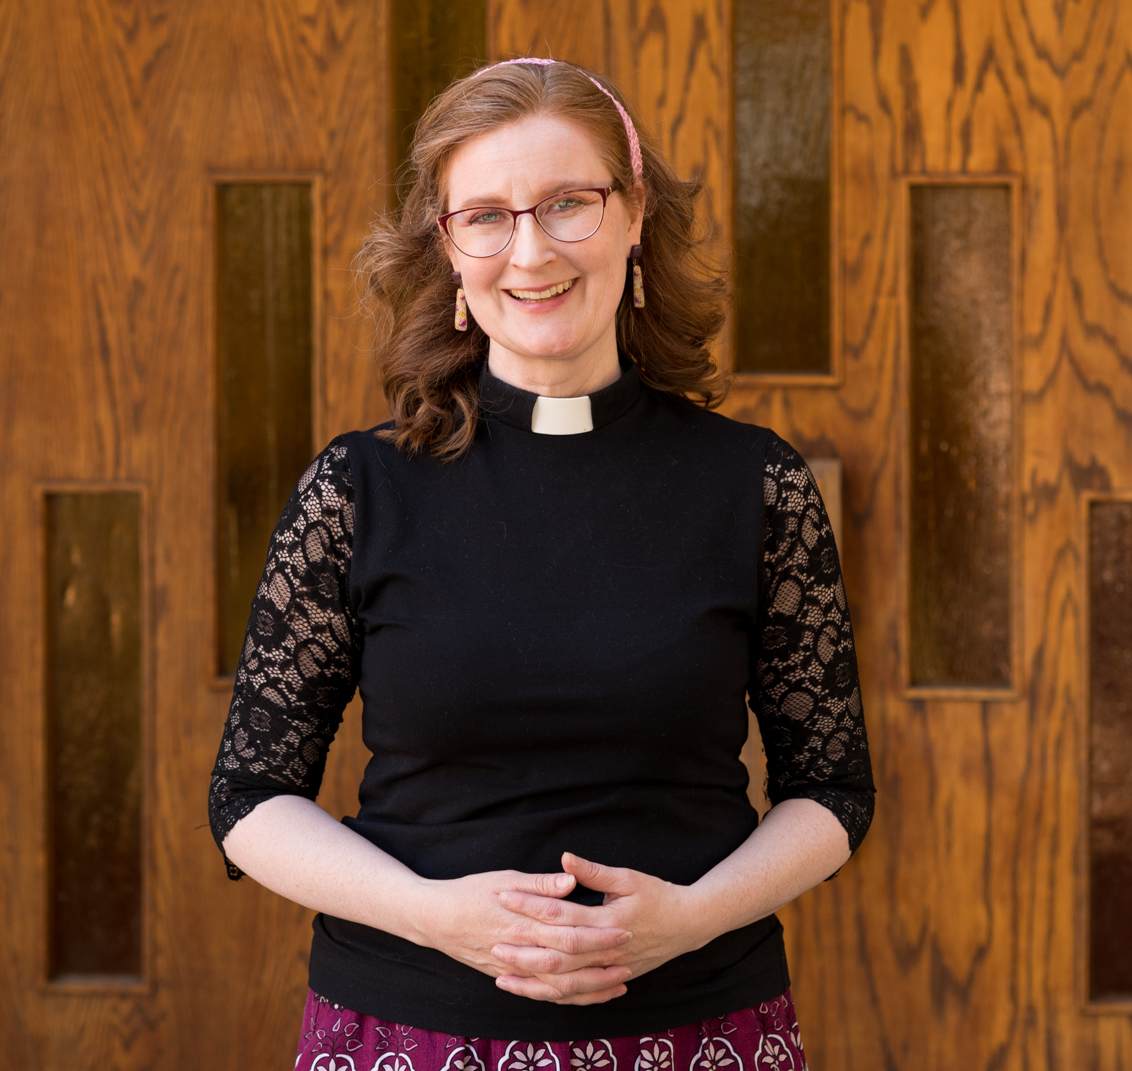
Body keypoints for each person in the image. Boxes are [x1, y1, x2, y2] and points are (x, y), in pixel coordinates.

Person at [209, 58, 874, 1071]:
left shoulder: (756, 485)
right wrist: (434, 916)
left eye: (568, 203)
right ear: (448, 247)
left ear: (635, 210)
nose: (530, 251)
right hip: (406, 1028)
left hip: (698, 1028)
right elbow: (250, 799)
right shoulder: (356, 489)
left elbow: (831, 789)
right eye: (485, 215)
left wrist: (687, 919)